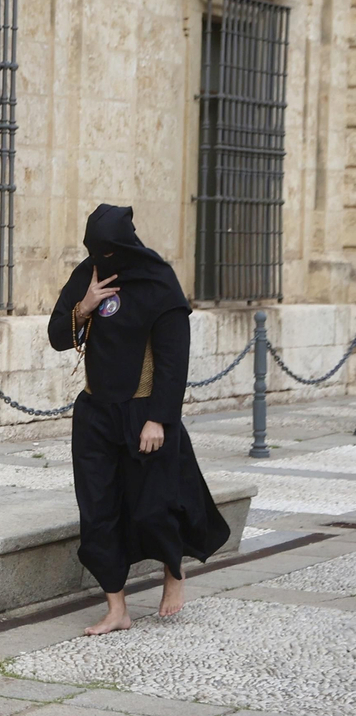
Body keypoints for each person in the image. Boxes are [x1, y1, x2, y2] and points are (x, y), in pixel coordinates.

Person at [48, 205, 230, 636]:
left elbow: (173, 360)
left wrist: (159, 420)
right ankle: (117, 608)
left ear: (125, 245)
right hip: (95, 413)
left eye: (107, 252)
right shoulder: (88, 275)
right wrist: (84, 306)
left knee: (154, 508)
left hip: (144, 412)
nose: (101, 259)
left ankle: (174, 573)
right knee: (98, 511)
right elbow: (58, 337)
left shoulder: (158, 280)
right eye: (94, 252)